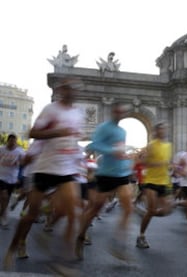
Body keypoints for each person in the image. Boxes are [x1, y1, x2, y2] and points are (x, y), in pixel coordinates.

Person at [3, 79, 83, 270]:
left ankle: (62, 260)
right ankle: (14, 246)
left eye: (74, 89)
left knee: (72, 213)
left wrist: (77, 159)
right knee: (30, 215)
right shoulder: (51, 109)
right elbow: (32, 132)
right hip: (45, 168)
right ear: (61, 91)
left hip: (67, 170)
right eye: (67, 88)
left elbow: (73, 140)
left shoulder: (78, 113)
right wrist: (57, 132)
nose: (71, 92)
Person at [75, 102, 133, 260]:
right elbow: (95, 145)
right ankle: (80, 237)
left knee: (128, 208)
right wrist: (113, 151)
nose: (120, 114)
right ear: (113, 111)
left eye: (123, 112)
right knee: (94, 209)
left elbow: (120, 150)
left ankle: (118, 243)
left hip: (122, 174)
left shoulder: (122, 131)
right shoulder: (103, 127)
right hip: (106, 174)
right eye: (118, 111)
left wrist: (125, 159)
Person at [136, 122, 174, 249]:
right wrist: (155, 163)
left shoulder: (169, 145)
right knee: (152, 209)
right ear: (156, 131)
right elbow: (143, 161)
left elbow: (168, 163)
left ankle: (146, 214)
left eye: (165, 129)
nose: (163, 131)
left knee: (166, 211)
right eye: (161, 129)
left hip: (164, 182)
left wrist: (170, 167)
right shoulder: (151, 145)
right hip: (151, 181)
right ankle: (141, 236)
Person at [0, 134, 25, 229]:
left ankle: (2, 214)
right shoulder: (1, 149)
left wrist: (18, 163)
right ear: (8, 141)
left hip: (12, 179)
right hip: (1, 177)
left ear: (16, 142)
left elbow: (24, 163)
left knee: (5, 199)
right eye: (10, 141)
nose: (12, 143)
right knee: (4, 196)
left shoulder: (20, 152)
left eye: (14, 142)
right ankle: (3, 217)